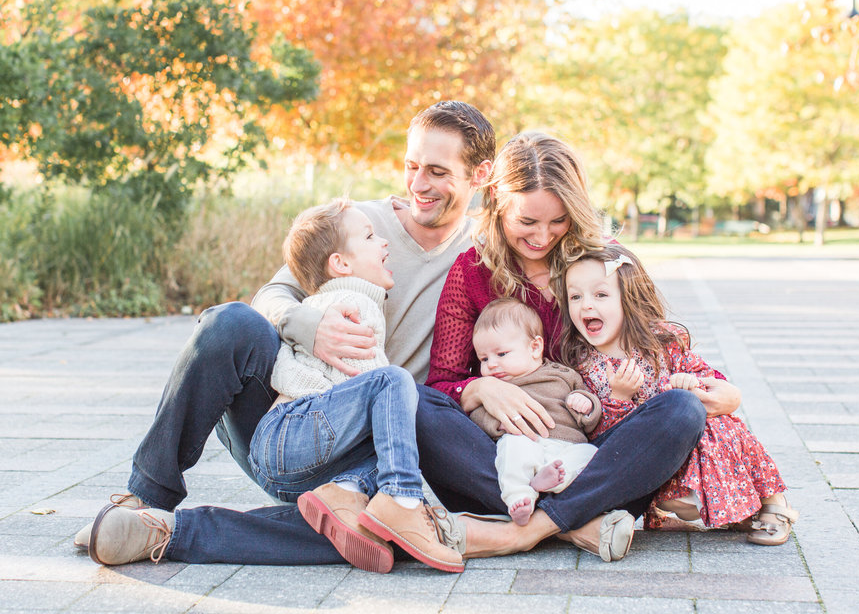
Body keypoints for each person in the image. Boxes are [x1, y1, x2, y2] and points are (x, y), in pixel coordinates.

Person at [81, 101, 496, 566]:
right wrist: (309, 326)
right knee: (231, 323)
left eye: (437, 172)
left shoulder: (486, 253)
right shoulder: (359, 225)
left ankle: (160, 534)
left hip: (371, 453)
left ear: (479, 175)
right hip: (288, 423)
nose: (419, 184)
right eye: (412, 166)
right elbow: (273, 295)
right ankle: (145, 498)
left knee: (375, 528)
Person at [414, 132, 742, 561]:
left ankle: (525, 531)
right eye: (526, 222)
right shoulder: (472, 272)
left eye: (558, 220)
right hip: (501, 458)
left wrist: (726, 392)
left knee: (680, 410)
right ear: (497, 201)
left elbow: (656, 345)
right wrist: (480, 389)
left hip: (597, 457)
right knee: (409, 399)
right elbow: (442, 382)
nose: (543, 236)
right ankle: (580, 526)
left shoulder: (605, 264)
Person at [249, 198, 460, 573]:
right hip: (292, 431)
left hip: (285, 453)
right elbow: (373, 383)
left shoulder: (326, 304)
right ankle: (404, 501)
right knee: (396, 386)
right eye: (369, 237)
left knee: (385, 436)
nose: (384, 243)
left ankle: (345, 493)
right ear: (341, 264)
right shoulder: (352, 305)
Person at [560, 242, 798, 544]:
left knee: (718, 423)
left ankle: (772, 502)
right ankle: (734, 509)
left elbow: (708, 383)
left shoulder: (661, 343)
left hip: (691, 443)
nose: (586, 306)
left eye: (601, 295)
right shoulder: (581, 364)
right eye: (575, 297)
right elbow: (604, 441)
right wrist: (618, 399)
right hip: (651, 461)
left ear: (629, 299)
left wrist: (691, 384)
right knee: (673, 492)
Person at [467, 297, 601, 526]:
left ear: (534, 347)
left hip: (566, 446)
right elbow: (477, 417)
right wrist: (497, 423)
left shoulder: (562, 375)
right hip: (525, 441)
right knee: (512, 449)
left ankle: (551, 480)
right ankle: (519, 498)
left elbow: (590, 415)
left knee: (590, 454)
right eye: (483, 358)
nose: (491, 365)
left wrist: (585, 405)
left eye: (501, 354)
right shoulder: (497, 388)